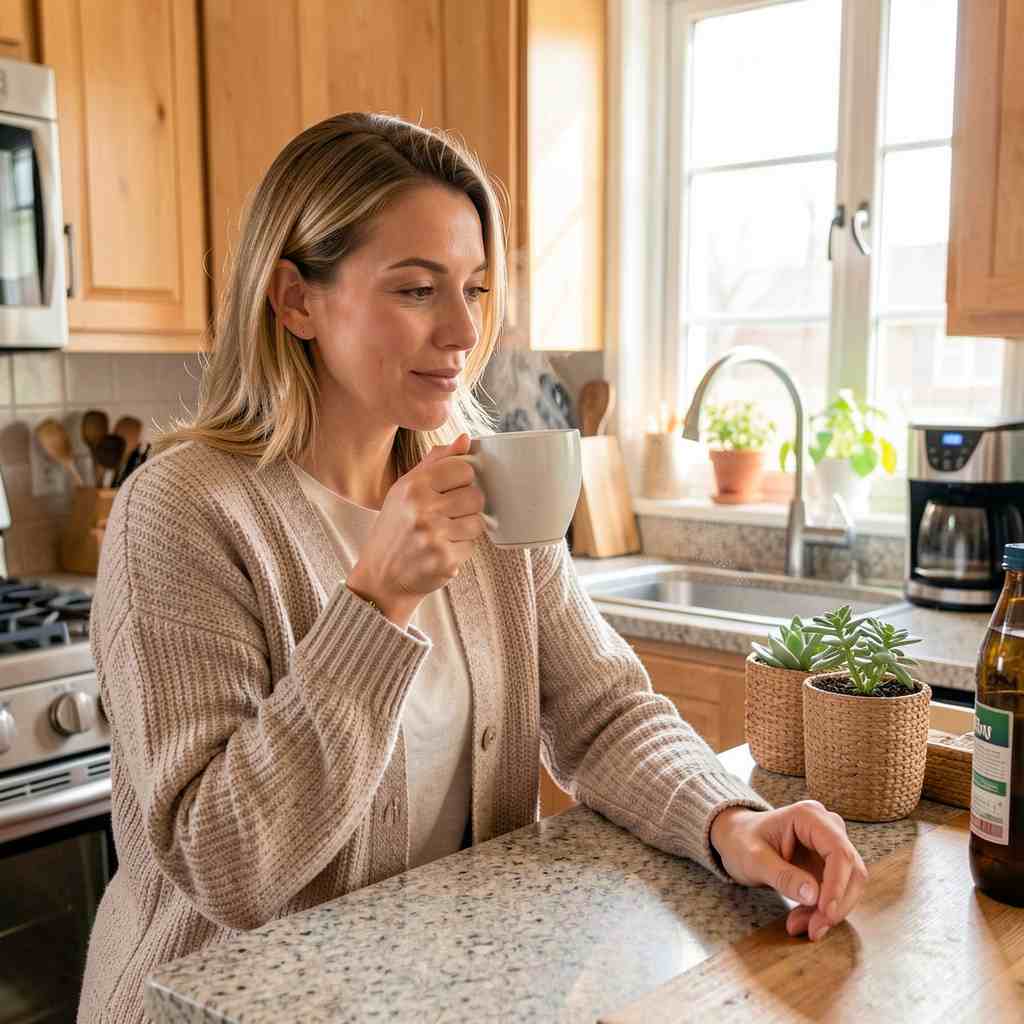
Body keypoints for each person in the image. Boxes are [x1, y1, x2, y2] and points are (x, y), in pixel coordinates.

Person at [78, 113, 867, 1024]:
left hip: (431, 991)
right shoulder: (181, 511)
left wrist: (731, 822)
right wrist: (377, 603)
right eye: (417, 289)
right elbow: (224, 866)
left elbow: (604, 714)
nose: (462, 330)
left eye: (476, 288)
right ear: (295, 301)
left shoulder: (485, 478)